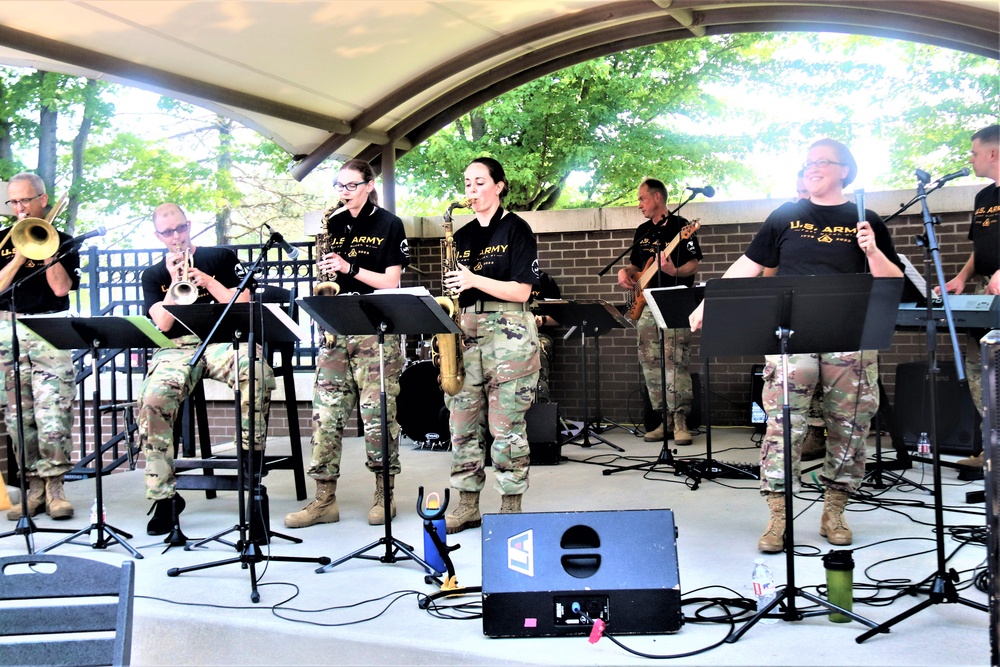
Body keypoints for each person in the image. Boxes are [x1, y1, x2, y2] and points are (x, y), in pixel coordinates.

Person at [690, 138, 904, 552]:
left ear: (845, 170)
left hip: (850, 339)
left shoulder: (866, 218)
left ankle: (834, 509)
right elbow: (748, 264)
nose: (812, 168)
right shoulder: (785, 215)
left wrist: (872, 250)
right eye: (808, 163)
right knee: (783, 425)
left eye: (823, 162)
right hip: (792, 337)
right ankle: (778, 515)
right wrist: (709, 302)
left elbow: (892, 281)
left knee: (851, 425)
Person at [284, 159, 409, 528]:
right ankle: (324, 500)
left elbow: (391, 282)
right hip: (335, 331)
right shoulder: (332, 223)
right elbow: (326, 272)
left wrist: (349, 269)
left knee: (378, 417)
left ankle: (383, 495)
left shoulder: (389, 223)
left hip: (375, 331)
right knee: (325, 418)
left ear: (369, 185)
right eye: (339, 186)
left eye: (351, 185)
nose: (344, 193)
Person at [138, 203, 274, 535]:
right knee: (153, 399)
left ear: (190, 225)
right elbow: (163, 322)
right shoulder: (153, 275)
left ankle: (250, 467)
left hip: (227, 341)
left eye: (181, 228)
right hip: (177, 348)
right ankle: (164, 497)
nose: (176, 237)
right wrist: (174, 282)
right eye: (168, 232)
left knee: (254, 373)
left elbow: (245, 304)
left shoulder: (223, 258)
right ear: (158, 236)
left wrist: (208, 281)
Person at [443, 157, 540, 534]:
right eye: (467, 183)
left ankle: (510, 508)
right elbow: (458, 288)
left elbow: (521, 290)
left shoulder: (518, 229)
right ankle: (467, 505)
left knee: (507, 427)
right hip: (467, 331)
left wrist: (472, 278)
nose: (472, 190)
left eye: (480, 182)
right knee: (462, 424)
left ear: (499, 186)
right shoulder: (462, 236)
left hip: (509, 331)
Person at [1, 172, 79, 521]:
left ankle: (55, 489)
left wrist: (46, 250)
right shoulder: (1, 241)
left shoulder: (64, 240)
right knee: (19, 417)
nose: (19, 208)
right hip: (7, 328)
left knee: (53, 413)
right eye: (13, 202)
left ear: (42, 200)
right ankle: (33, 489)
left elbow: (61, 289)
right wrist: (19, 256)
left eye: (25, 201)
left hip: (49, 328)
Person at [617, 178, 702, 446]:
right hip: (647, 303)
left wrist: (673, 271)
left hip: (675, 300)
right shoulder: (642, 231)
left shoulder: (682, 227)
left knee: (675, 360)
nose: (639, 204)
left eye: (642, 198)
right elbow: (635, 267)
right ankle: (663, 419)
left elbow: (693, 265)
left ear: (657, 198)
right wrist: (625, 272)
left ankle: (680, 421)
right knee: (650, 361)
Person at [938, 123, 999, 469]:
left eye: (974, 152)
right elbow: (982, 247)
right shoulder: (983, 198)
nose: (971, 158)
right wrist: (961, 278)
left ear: (993, 153)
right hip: (984, 294)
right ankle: (992, 451)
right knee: (981, 372)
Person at [764, 170, 826, 462]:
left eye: (808, 192)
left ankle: (818, 431)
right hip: (792, 306)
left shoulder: (838, 219)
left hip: (827, 307)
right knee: (793, 373)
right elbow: (768, 264)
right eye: (800, 192)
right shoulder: (785, 218)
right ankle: (790, 438)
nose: (804, 197)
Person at [531, 269, 561, 402]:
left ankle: (541, 402)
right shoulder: (504, 279)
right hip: (509, 334)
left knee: (537, 349)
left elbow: (560, 318)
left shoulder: (544, 280)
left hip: (540, 334)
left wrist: (542, 320)